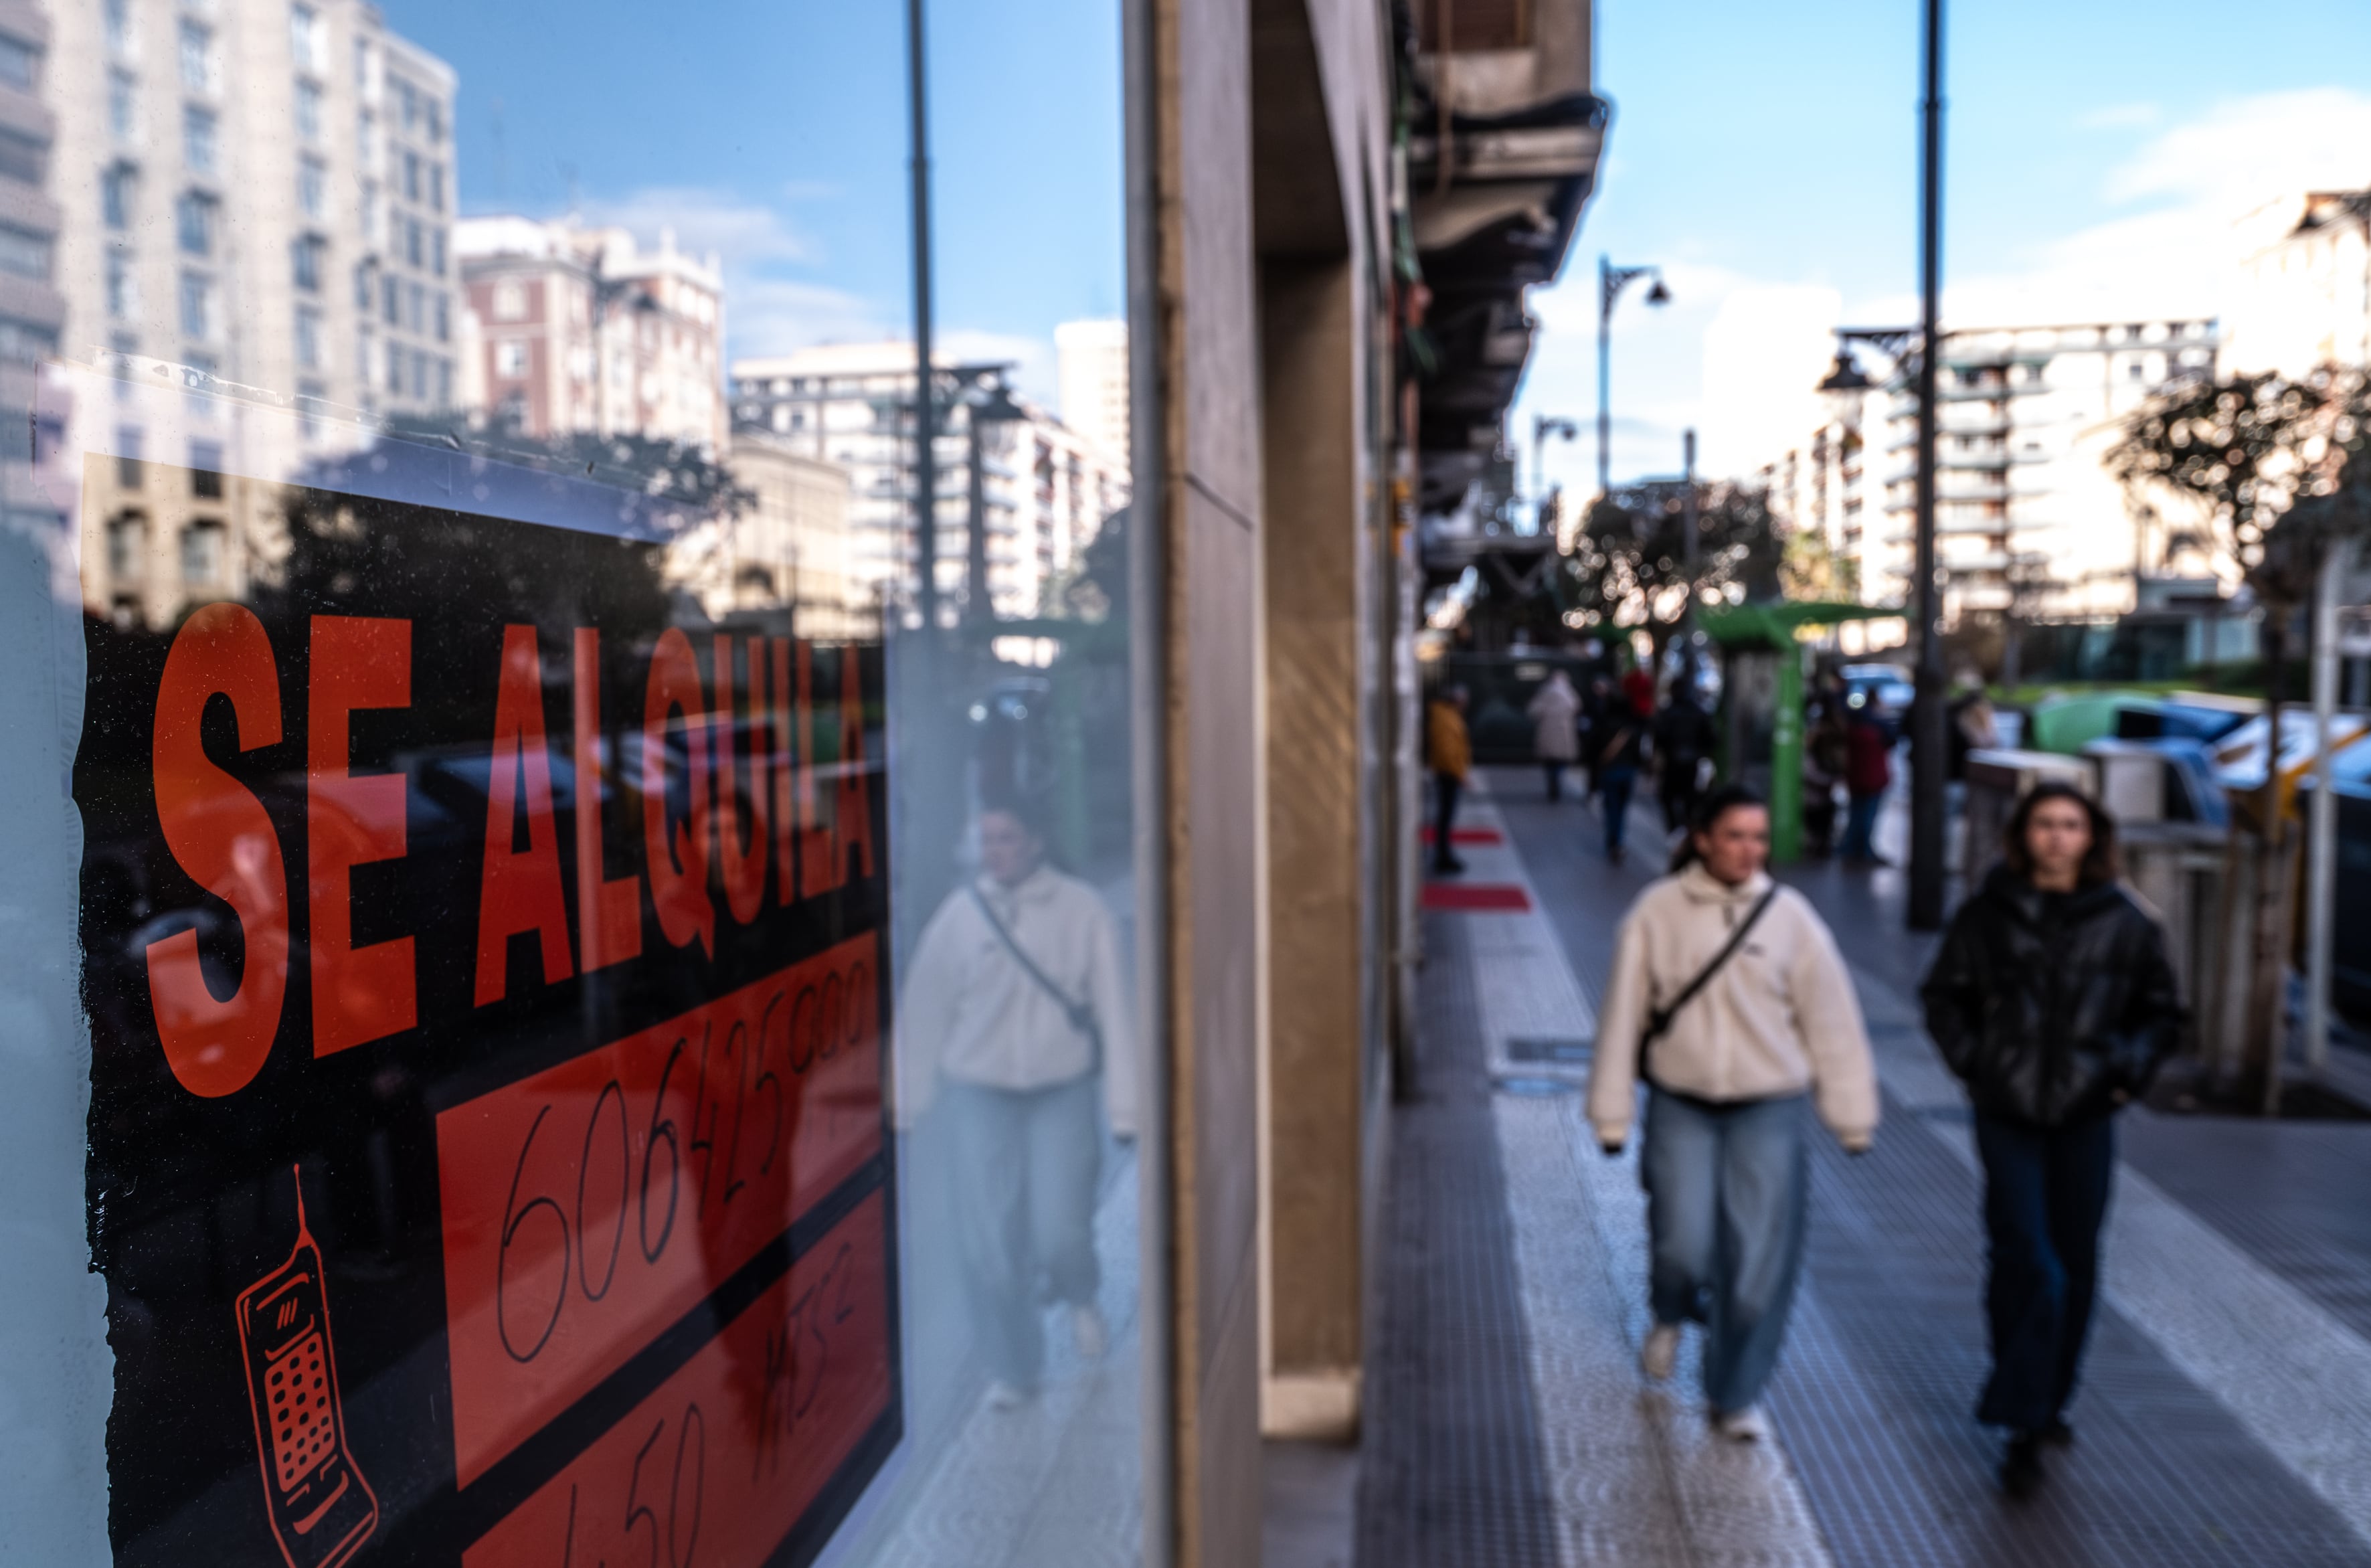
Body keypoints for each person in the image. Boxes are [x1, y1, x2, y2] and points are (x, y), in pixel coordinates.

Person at [1588, 786, 1878, 1440]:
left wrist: (1850, 1113)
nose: (1749, 850)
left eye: (1758, 837)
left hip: (1767, 1108)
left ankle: (1734, 1392)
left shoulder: (1791, 919)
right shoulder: (1656, 914)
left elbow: (1831, 1020)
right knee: (1680, 1245)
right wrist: (1611, 1113)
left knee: (1756, 1267)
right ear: (1701, 839)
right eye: (1735, 836)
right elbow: (1622, 1017)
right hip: (1680, 1101)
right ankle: (1669, 1312)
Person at [1919, 784, 2180, 1498]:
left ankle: (2052, 1396)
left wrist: (2123, 1075)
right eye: (2045, 825)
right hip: (2007, 1112)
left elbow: (2163, 1013)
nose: (2058, 838)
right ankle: (2024, 1420)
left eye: (2071, 826)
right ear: (2022, 834)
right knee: (2027, 1256)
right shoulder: (1988, 913)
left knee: (2075, 1259)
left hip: (2087, 1114)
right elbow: (1944, 995)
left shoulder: (2126, 922)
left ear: (2092, 837)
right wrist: (1978, 1065)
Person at [897, 800, 1140, 1411]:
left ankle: (1080, 1291)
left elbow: (1114, 1008)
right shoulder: (960, 917)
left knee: (1061, 1227)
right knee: (988, 1243)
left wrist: (1125, 1107)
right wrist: (906, 1097)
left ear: (1035, 841)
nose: (995, 850)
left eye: (1007, 838)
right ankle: (1014, 1366)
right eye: (987, 839)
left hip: (1060, 1090)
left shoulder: (1081, 910)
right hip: (980, 1094)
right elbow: (924, 1009)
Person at [1653, 684, 1717, 833]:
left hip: (1673, 762)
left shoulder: (1669, 712)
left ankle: (1677, 829)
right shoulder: (1699, 712)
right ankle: (1686, 826)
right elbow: (1712, 738)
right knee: (1690, 798)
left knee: (1669, 797)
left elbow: (1660, 735)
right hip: (1692, 762)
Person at [1593, 699, 1648, 864]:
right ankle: (1618, 841)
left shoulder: (1602, 726)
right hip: (1627, 772)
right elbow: (1639, 753)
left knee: (1611, 807)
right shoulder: (1630, 729)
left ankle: (1613, 841)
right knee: (1622, 808)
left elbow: (1593, 749)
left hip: (1609, 772)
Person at [1840, 697, 1894, 863]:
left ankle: (1851, 848)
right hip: (1872, 782)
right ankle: (1862, 850)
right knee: (1867, 817)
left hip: (1858, 782)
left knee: (1857, 816)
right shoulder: (1874, 734)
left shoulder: (1852, 733)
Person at [1426, 685, 1473, 874]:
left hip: (1448, 772)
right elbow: (1447, 751)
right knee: (1446, 816)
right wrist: (1459, 773)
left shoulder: (1447, 716)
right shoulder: (1446, 718)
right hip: (1448, 773)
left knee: (1446, 816)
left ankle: (1444, 855)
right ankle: (1443, 856)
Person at [1528, 669, 1583, 801]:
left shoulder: (1545, 692)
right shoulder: (1569, 693)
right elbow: (1577, 707)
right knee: (1560, 761)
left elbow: (1533, 711)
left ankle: (1553, 782)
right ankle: (1557, 780)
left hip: (1547, 732)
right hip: (1564, 733)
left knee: (1549, 761)